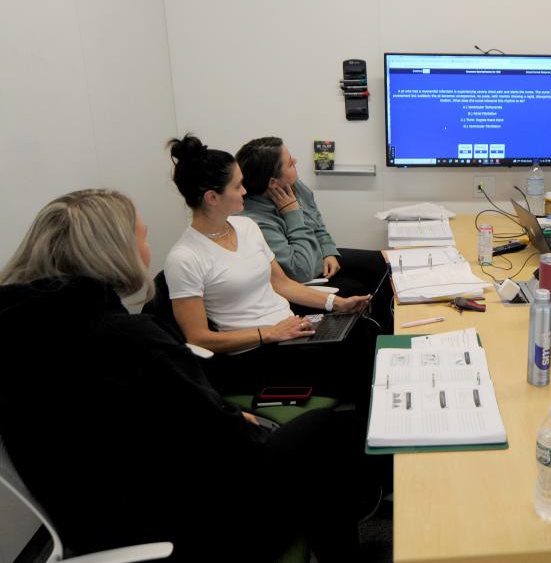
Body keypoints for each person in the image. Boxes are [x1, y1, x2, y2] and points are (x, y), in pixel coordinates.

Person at [0, 189, 371, 560]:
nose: (146, 247)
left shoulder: (21, 337)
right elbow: (224, 442)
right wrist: (250, 423)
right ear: (114, 253)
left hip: (94, 524)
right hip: (179, 525)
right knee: (325, 433)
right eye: (143, 236)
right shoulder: (128, 339)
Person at [163, 134, 372, 397]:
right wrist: (270, 333)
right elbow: (198, 338)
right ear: (212, 197)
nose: (245, 191)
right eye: (238, 187)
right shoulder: (184, 258)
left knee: (361, 328)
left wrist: (339, 304)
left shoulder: (246, 227)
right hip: (255, 352)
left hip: (291, 329)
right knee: (359, 352)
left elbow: (282, 284)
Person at [235, 136, 393, 330]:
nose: (296, 162)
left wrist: (328, 249)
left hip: (318, 257)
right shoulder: (256, 221)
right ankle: (377, 332)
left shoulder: (293, 186)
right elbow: (300, 271)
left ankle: (390, 331)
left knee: (381, 264)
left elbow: (316, 221)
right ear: (273, 182)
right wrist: (292, 214)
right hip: (302, 279)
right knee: (359, 288)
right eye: (290, 163)